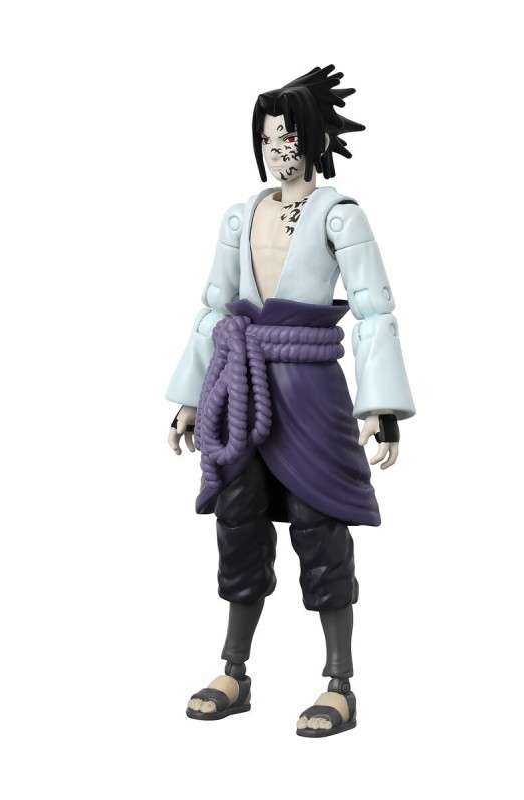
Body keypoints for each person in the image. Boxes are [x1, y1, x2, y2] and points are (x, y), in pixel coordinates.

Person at [166, 65, 415, 737]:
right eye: (270, 137)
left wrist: (380, 405)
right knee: (237, 521)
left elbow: (373, 309)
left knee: (318, 522)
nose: (280, 149)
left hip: (308, 387)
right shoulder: (240, 214)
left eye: (291, 136)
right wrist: (190, 396)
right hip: (239, 382)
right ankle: (234, 670)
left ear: (316, 140)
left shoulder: (339, 215)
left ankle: (339, 683)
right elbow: (215, 307)